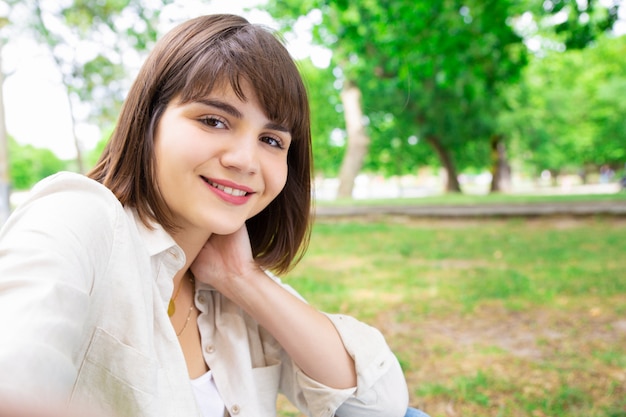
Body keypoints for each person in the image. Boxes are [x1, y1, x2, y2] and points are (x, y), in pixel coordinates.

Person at [0, 14, 429, 417]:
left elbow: (381, 406)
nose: (246, 160)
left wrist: (242, 279)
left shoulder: (227, 284)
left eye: (272, 140)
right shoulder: (80, 217)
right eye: (214, 121)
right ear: (148, 121)